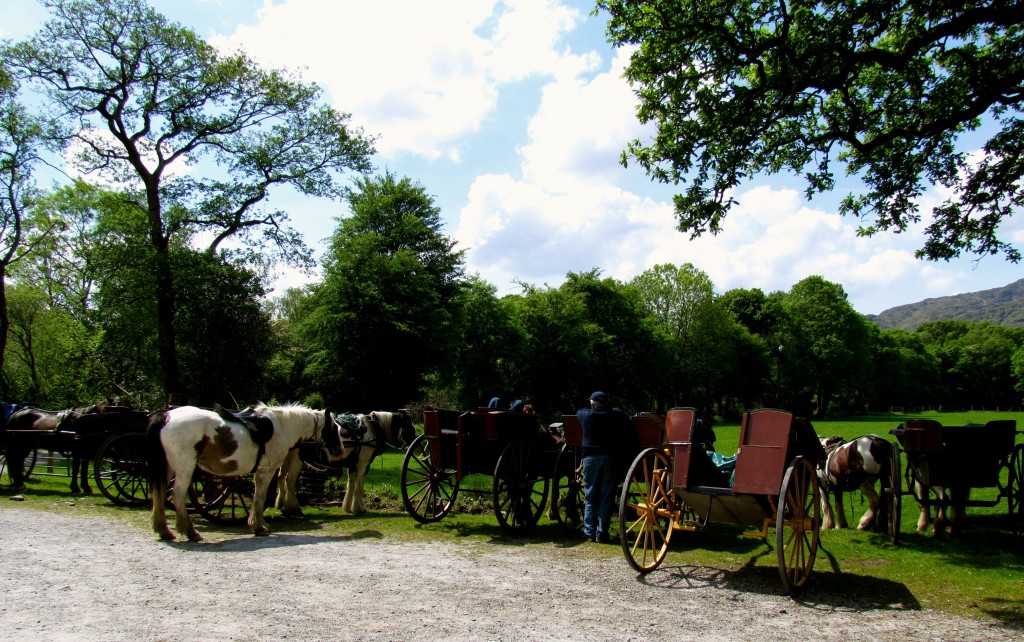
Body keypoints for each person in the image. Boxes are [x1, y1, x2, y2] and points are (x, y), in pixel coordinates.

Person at [576, 391, 629, 543]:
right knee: (606, 497)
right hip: (610, 459)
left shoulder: (585, 415)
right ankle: (602, 533)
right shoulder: (616, 414)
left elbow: (579, 411)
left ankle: (589, 532)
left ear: (593, 403)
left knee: (590, 496)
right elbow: (626, 418)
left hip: (590, 459)